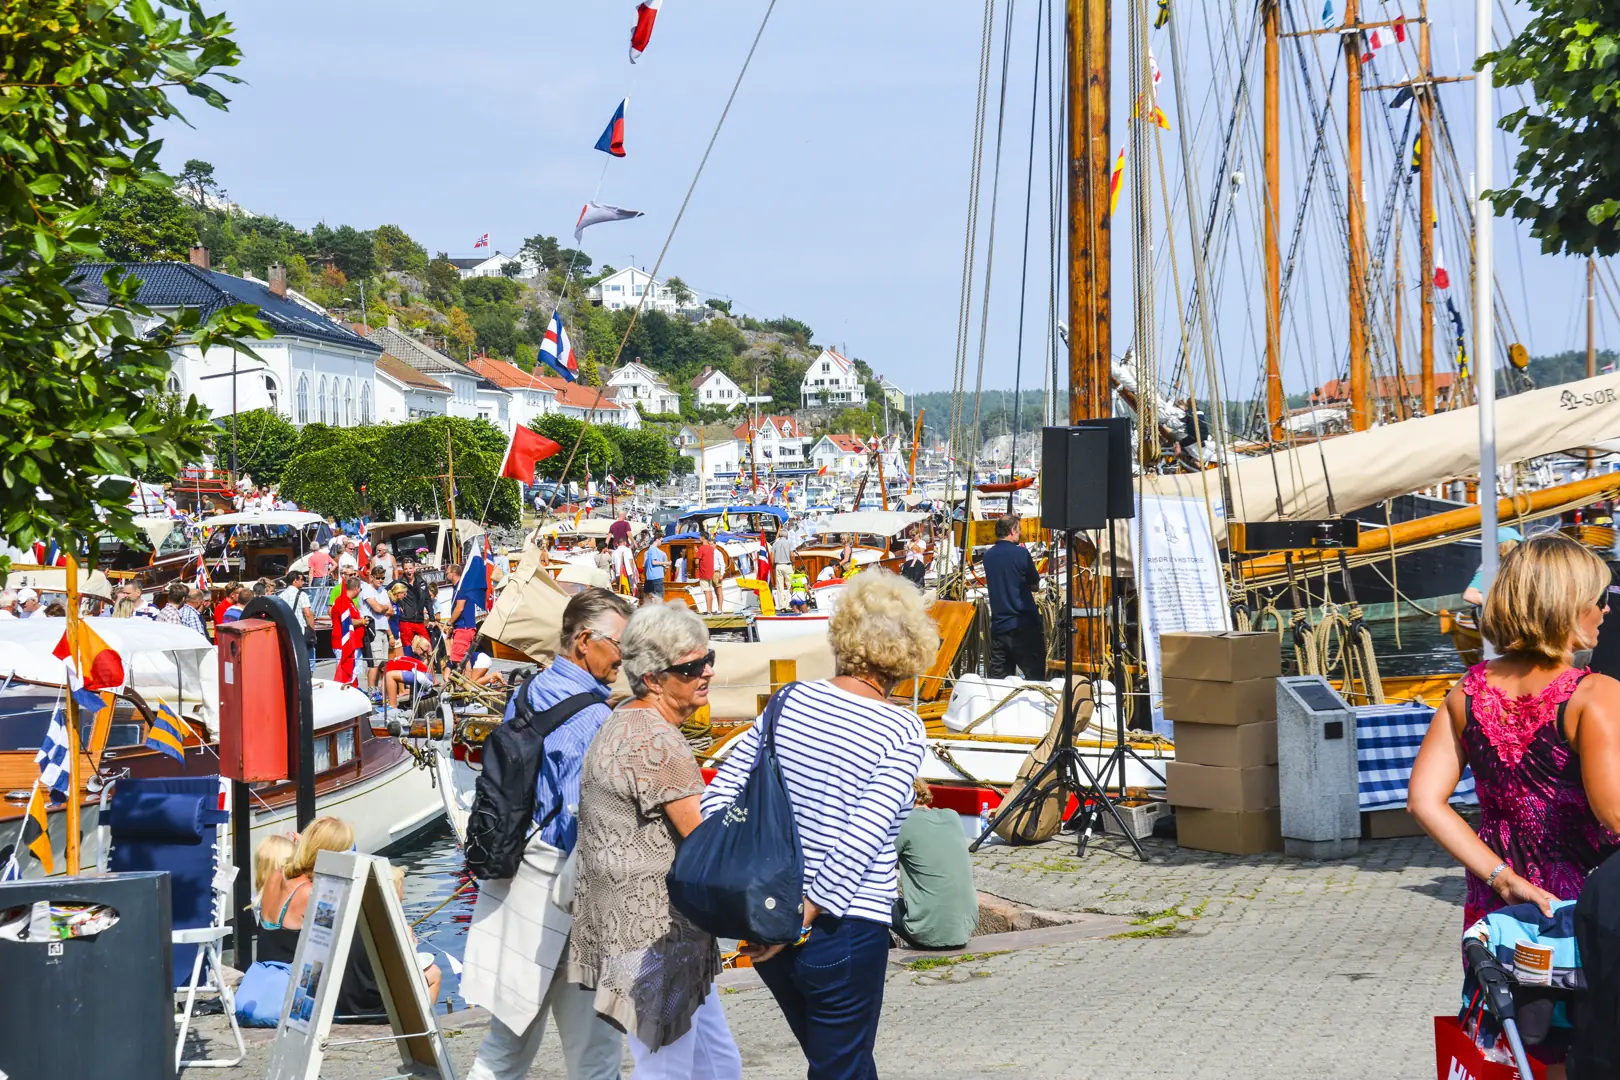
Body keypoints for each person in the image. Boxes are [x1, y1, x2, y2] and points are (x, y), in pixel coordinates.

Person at [706, 570, 936, 1079]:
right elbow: (863, 837)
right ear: (909, 649)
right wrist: (801, 916)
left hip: (769, 918)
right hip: (840, 925)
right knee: (842, 1067)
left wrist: (750, 900)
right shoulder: (901, 727)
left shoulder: (789, 701)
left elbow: (718, 798)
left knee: (840, 1065)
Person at [461, 588, 636, 1080]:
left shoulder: (528, 692)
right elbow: (589, 825)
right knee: (595, 1053)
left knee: (505, 1045)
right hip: (569, 894)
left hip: (517, 879)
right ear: (584, 641)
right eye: (619, 645)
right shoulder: (595, 719)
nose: (624, 658)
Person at [1411, 534, 1620, 938]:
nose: (1607, 608)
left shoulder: (1467, 691)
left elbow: (1423, 801)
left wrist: (1502, 879)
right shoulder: (1594, 694)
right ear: (1570, 604)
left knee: (1503, 982)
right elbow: (1614, 813)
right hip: (1582, 904)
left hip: (1500, 909)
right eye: (1600, 598)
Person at [568, 602, 742, 1078]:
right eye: (690, 667)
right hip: (653, 933)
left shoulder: (623, 717)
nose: (706, 672)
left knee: (717, 1062)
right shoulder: (657, 741)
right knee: (666, 1067)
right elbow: (705, 842)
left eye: (708, 660)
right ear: (653, 679)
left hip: (639, 925)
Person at [258, 817, 441, 1020]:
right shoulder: (314, 892)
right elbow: (350, 943)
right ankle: (418, 1032)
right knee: (432, 974)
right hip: (301, 990)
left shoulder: (278, 875)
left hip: (267, 974)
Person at [893, 778, 978, 950]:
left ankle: (881, 956)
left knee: (873, 901)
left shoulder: (903, 824)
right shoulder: (952, 816)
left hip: (927, 934)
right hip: (964, 930)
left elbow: (878, 863)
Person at [982, 515, 1044, 681]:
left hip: (999, 628)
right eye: (1019, 530)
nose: (1020, 534)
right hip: (1023, 626)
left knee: (998, 683)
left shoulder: (988, 556)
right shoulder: (1021, 554)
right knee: (1035, 678)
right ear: (1011, 531)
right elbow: (1035, 585)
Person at [1462, 526, 1525, 607]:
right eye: (1517, 544)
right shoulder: (1490, 567)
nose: (1521, 548)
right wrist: (1503, 604)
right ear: (1505, 547)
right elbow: (1470, 595)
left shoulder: (1515, 564)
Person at [359, 565, 394, 696]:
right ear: (372, 577)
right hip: (373, 630)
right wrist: (383, 608)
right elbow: (378, 609)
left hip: (383, 628)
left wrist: (382, 608)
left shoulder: (383, 590)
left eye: (382, 578)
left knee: (383, 664)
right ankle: (371, 692)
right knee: (374, 663)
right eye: (378, 578)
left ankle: (379, 690)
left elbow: (391, 611)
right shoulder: (367, 590)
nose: (380, 580)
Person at [383, 635, 435, 711]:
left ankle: (392, 706)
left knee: (389, 675)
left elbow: (385, 682)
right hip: (423, 677)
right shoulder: (409, 652)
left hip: (423, 677)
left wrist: (384, 701)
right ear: (417, 647)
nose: (425, 654)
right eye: (424, 651)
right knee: (392, 675)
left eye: (426, 652)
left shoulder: (417, 654)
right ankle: (412, 703)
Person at [394, 558, 435, 649]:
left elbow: (428, 601)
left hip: (419, 620)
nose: (408, 571)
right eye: (406, 569)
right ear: (403, 570)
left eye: (410, 568)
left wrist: (432, 618)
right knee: (408, 648)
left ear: (414, 568)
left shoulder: (422, 582)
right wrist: (397, 605)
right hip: (406, 621)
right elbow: (389, 593)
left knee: (427, 647)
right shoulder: (400, 583)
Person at [445, 563, 481, 666]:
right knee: (464, 659)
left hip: (464, 628)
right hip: (464, 628)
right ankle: (467, 676)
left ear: (453, 574)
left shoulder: (461, 587)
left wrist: (449, 623)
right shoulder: (459, 587)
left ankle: (465, 677)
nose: (446, 576)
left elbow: (459, 608)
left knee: (460, 661)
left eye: (447, 573)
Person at [279, 571, 316, 663]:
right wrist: (312, 631)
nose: (303, 582)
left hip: (288, 631)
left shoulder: (281, 596)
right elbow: (308, 614)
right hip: (301, 631)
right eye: (302, 579)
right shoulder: (302, 595)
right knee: (309, 660)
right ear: (295, 580)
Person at [695, 532, 721, 611]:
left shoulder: (701, 548)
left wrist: (697, 553)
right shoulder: (711, 548)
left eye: (700, 537)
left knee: (706, 592)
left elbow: (696, 562)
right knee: (710, 592)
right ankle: (710, 610)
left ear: (703, 538)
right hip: (710, 573)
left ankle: (709, 611)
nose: (699, 538)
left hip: (703, 573)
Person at [771, 528, 795, 607]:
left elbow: (772, 557)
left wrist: (773, 567)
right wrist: (793, 564)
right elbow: (792, 555)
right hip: (787, 565)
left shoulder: (775, 544)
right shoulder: (789, 542)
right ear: (786, 535)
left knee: (780, 586)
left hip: (778, 565)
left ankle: (782, 605)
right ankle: (789, 604)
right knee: (790, 585)